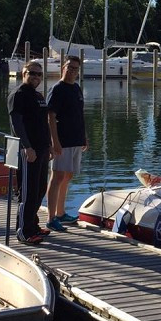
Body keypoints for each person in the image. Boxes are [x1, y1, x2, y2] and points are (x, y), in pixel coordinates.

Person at [8, 63, 52, 244]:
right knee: (27, 192)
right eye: (32, 73)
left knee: (40, 189)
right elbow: (16, 123)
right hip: (28, 150)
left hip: (42, 149)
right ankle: (23, 232)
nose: (36, 76)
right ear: (23, 73)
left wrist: (49, 145)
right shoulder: (18, 95)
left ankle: (33, 225)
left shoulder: (38, 96)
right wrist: (27, 147)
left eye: (39, 74)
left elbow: (44, 122)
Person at [45, 56, 88, 233]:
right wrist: (54, 142)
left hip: (76, 139)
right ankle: (50, 218)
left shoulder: (76, 88)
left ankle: (61, 212)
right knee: (57, 176)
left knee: (68, 176)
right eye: (69, 67)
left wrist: (84, 137)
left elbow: (79, 114)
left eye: (76, 69)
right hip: (62, 141)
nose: (72, 71)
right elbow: (50, 117)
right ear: (63, 67)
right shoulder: (57, 89)